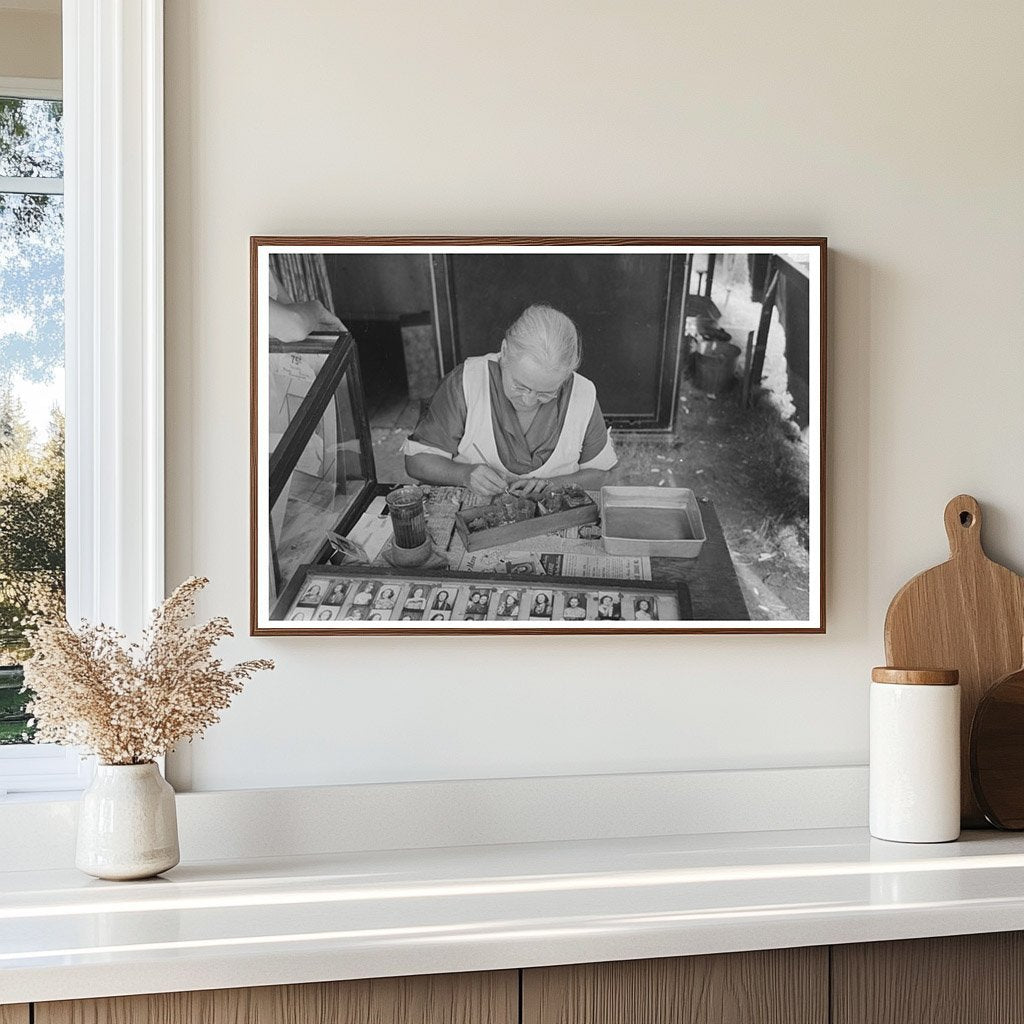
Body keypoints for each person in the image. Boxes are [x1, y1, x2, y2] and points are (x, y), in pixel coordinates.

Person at [403, 305, 617, 497]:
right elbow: (416, 462)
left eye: (546, 393)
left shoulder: (583, 393)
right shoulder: (467, 382)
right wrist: (464, 474)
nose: (529, 400)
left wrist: (553, 485)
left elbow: (603, 476)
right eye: (520, 385)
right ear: (504, 352)